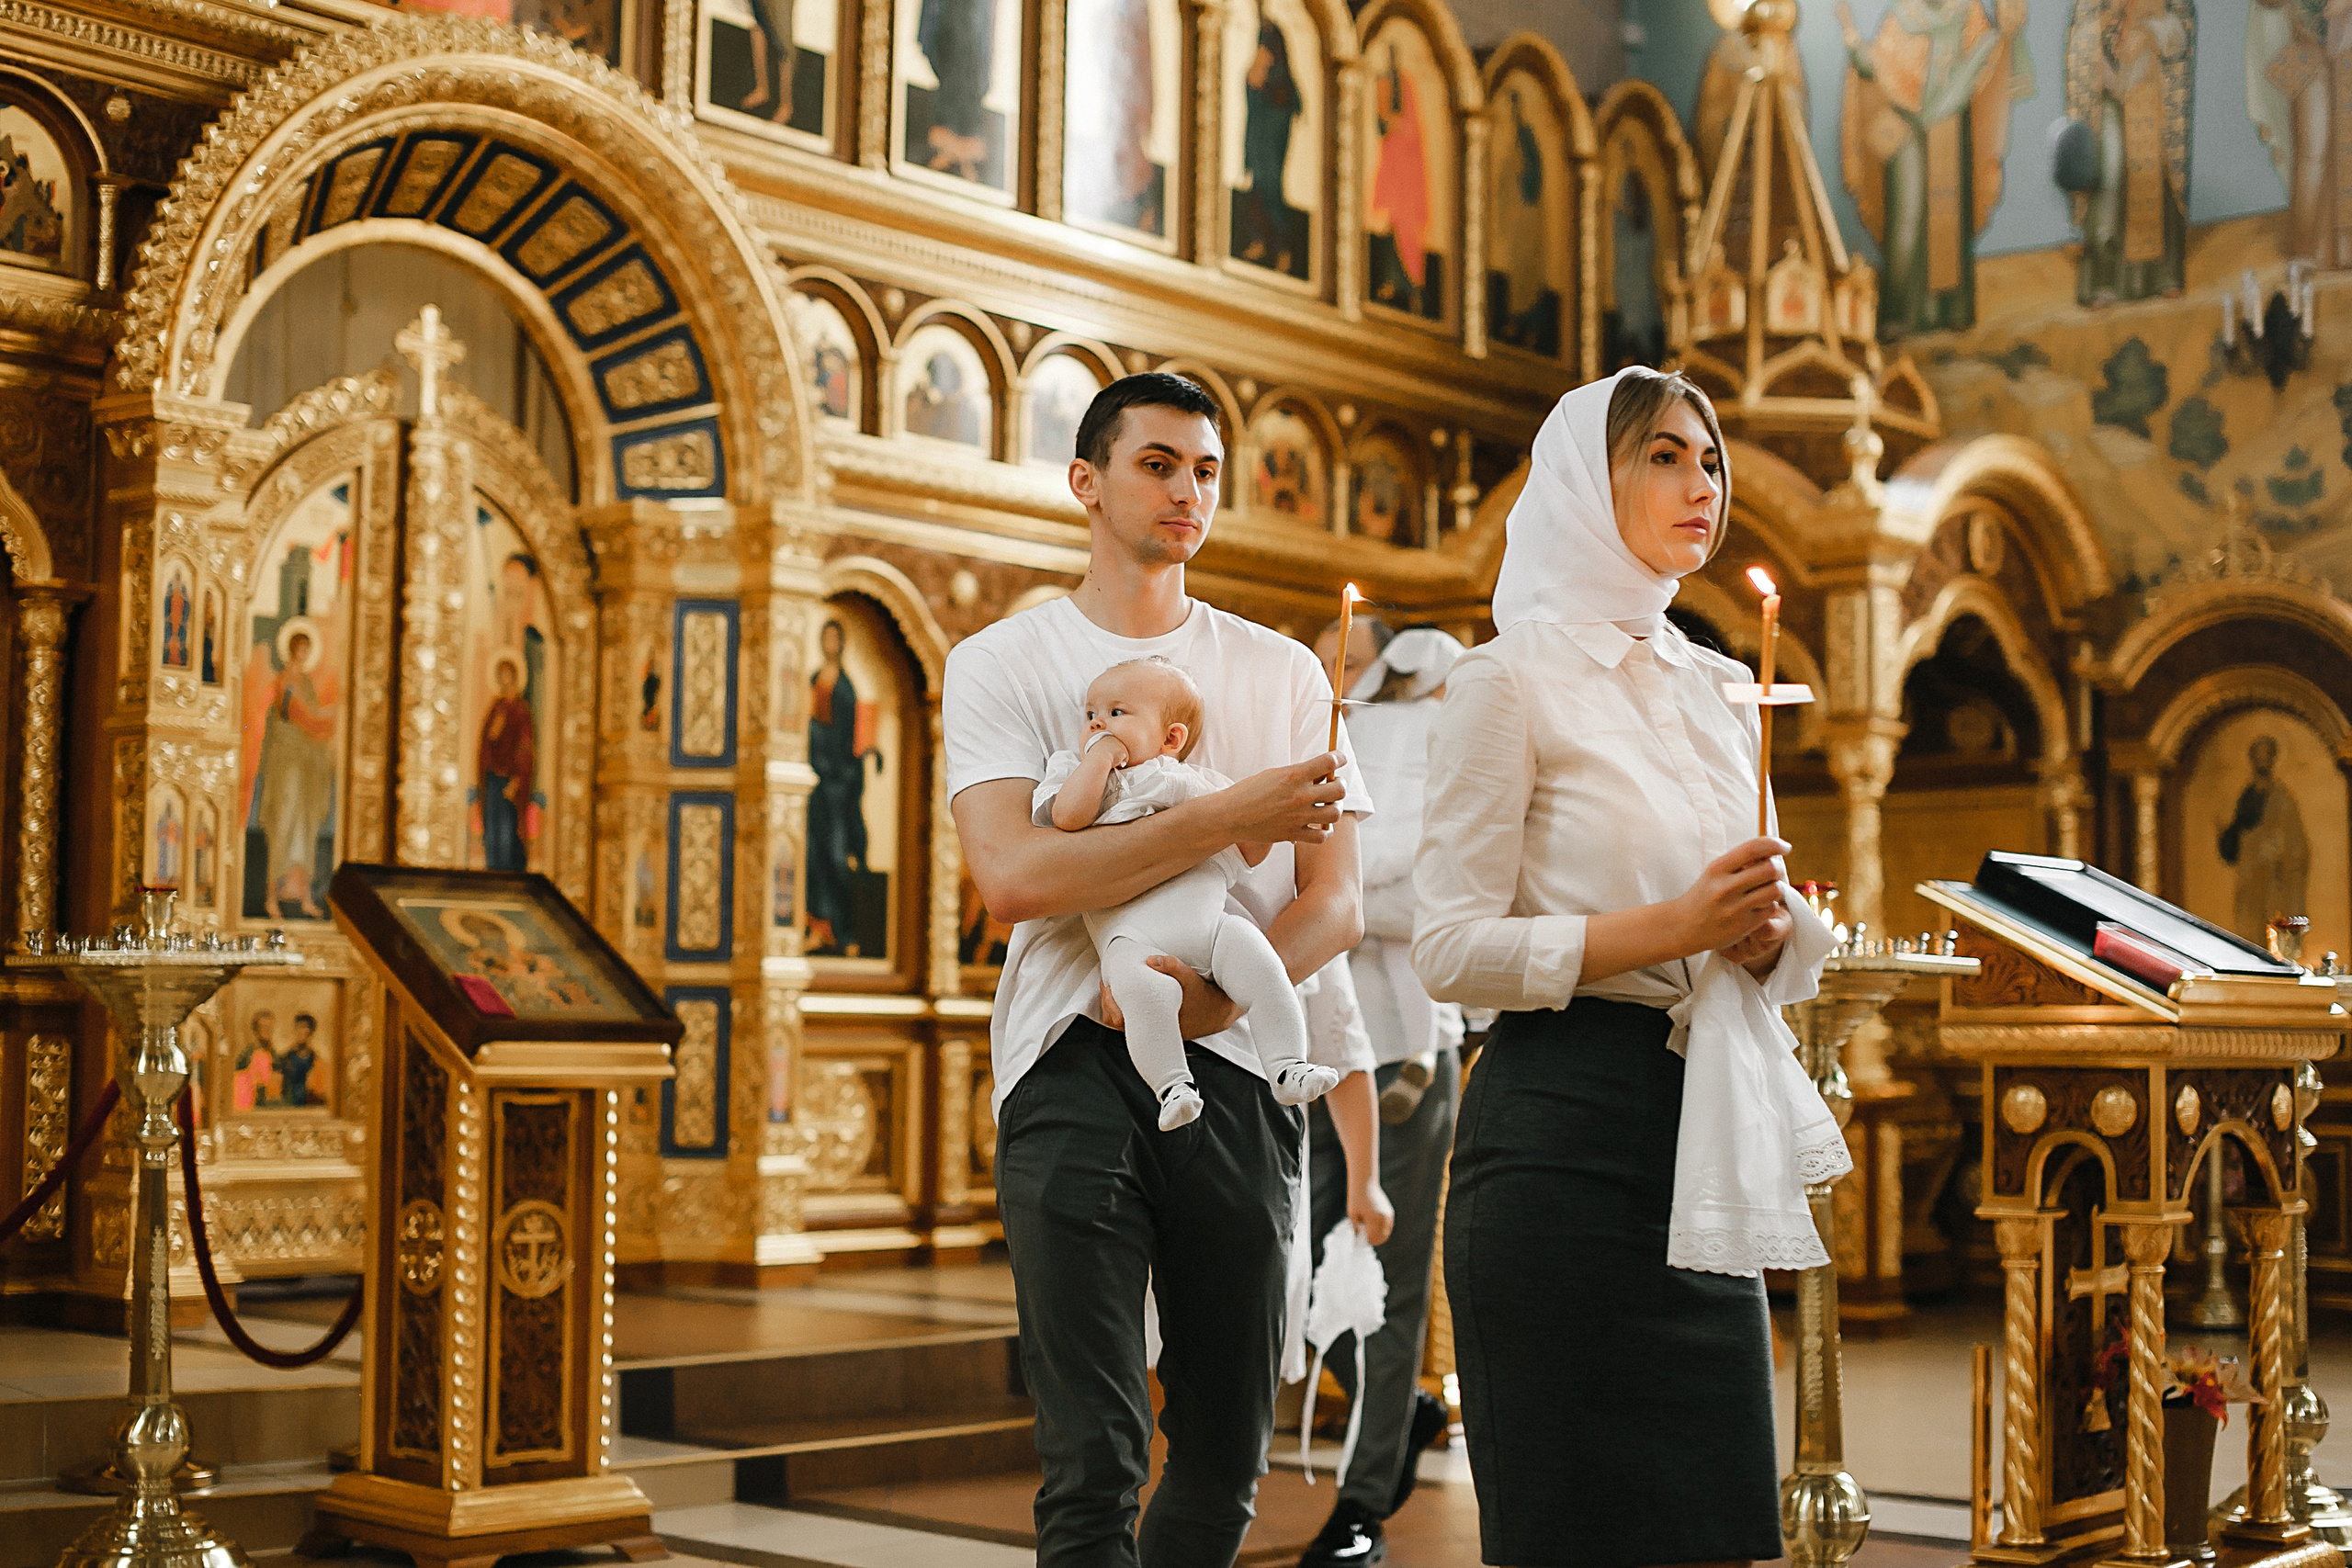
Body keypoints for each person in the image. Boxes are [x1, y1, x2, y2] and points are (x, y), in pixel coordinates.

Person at [1414, 367, 1845, 1568]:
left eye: (1710, 460)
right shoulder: (1506, 678)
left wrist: (1764, 935)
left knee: (1714, 1536)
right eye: (1663, 454)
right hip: (1557, 1139)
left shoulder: (1721, 687)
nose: (1700, 483)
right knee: (1573, 1537)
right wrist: (1677, 925)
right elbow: (1448, 947)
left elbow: (1744, 914)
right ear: (1581, 480)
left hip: (1697, 1137)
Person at [945, 371, 1369, 1567]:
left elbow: (1337, 899)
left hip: (1239, 1067)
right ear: (1086, 481)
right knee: (1093, 1456)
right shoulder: (1003, 659)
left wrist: (1216, 1001)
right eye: (1159, 464)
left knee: (1227, 1455)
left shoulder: (1283, 670)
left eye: (1207, 470)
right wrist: (1228, 815)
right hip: (1070, 1054)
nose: (1189, 489)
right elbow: (1015, 877)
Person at [1295, 615, 1464, 1568]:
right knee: (1304, 1273)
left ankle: (1361, 1504)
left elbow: (1430, 895)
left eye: (1352, 661)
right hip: (1304, 1048)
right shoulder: (1306, 751)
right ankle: (1406, 1411)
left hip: (1401, 1050)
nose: (1337, 678)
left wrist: (1342, 900)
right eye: (1324, 662)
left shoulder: (1423, 749)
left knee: (1385, 1280)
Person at [1041, 656, 1341, 1130]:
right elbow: (1067, 818)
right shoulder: (1077, 775)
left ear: (1171, 739)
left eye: (1117, 713)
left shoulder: (1199, 784)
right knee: (1143, 995)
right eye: (1091, 714)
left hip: (1211, 927)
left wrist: (1269, 817)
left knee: (1264, 968)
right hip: (1132, 941)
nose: (1097, 723)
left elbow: (1249, 851)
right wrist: (1098, 759)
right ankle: (1173, 1087)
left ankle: (1288, 1066)